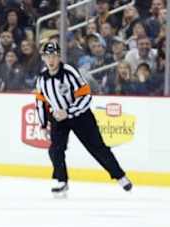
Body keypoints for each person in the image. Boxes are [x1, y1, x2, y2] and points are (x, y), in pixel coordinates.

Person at [35, 42, 132, 198]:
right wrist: (43, 124)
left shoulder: (69, 72)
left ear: (59, 56)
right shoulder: (42, 78)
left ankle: (120, 176)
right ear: (43, 58)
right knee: (55, 150)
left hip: (81, 116)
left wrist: (69, 111)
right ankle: (62, 181)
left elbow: (86, 95)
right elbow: (40, 102)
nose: (51, 60)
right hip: (59, 118)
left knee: (97, 148)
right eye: (47, 56)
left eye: (53, 56)